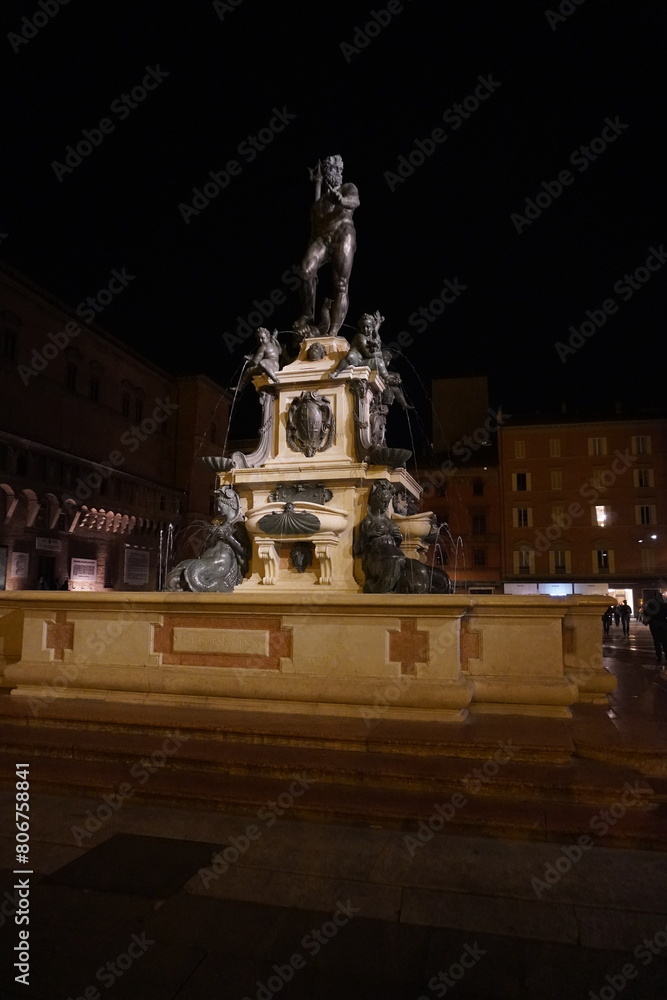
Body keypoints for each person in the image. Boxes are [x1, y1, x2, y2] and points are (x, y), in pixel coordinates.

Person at [296, 155, 359, 337]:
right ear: (325, 172)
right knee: (305, 271)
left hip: (343, 234)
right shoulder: (318, 204)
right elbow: (314, 232)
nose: (337, 173)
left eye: (339, 169)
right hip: (322, 239)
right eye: (332, 169)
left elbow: (355, 201)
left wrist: (341, 200)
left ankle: (332, 332)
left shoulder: (348, 188)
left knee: (340, 284)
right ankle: (308, 313)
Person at [233, 328, 281, 392]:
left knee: (262, 363)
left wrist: (248, 359)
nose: (260, 341)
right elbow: (280, 351)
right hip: (275, 366)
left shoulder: (263, 346)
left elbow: (255, 362)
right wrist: (274, 338)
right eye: (258, 339)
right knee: (248, 371)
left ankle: (276, 380)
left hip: (268, 365)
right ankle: (240, 387)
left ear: (267, 336)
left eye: (262, 338)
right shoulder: (273, 344)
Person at [642, 592, 667, 670]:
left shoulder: (651, 604)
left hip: (654, 623)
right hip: (664, 623)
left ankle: (658, 656)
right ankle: (666, 655)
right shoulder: (665, 605)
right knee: (665, 640)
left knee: (656, 640)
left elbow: (645, 613)